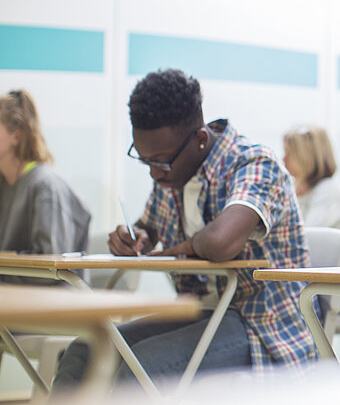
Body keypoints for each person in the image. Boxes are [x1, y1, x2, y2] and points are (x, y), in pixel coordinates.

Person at [53, 69, 316, 393]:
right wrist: (133, 238)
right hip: (198, 312)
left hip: (262, 324)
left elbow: (220, 243)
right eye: (144, 159)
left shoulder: (255, 163)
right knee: (84, 351)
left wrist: (188, 244)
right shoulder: (172, 174)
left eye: (160, 162)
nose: (153, 172)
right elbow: (147, 229)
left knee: (144, 366)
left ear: (200, 140)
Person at [0, 90, 90, 258]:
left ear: (16, 137)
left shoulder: (45, 185)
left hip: (46, 285)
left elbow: (49, 267)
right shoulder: (4, 182)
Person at [282, 125, 340, 230]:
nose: (284, 159)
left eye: (289, 153)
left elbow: (307, 235)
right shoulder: (293, 189)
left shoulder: (328, 190)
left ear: (305, 158)